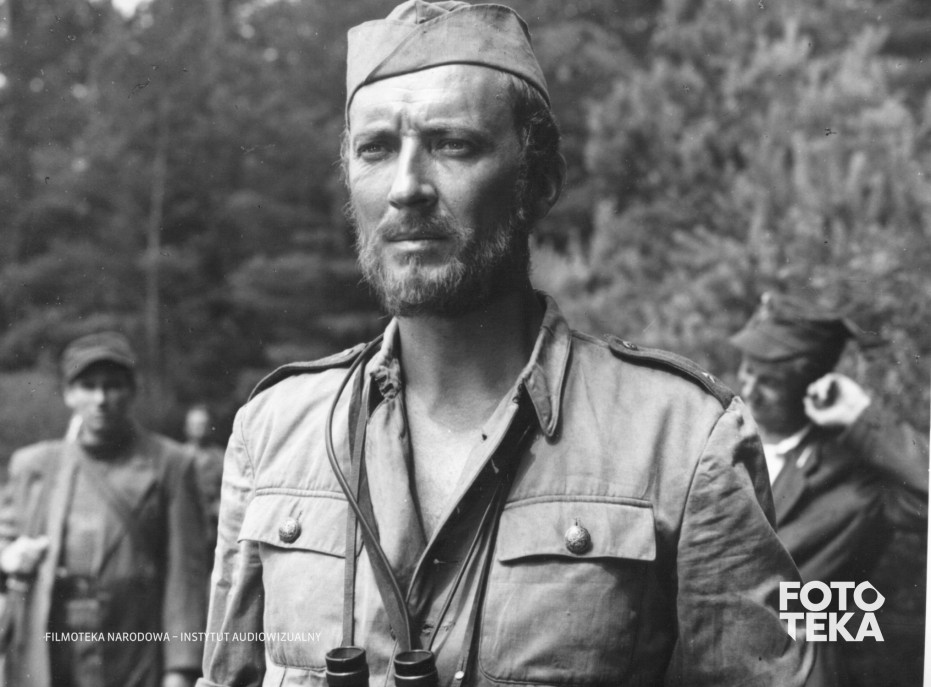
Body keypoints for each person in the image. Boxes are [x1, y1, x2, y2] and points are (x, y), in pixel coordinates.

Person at [199, 3, 812, 686]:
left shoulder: (682, 442)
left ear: (537, 183)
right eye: (376, 149)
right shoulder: (275, 430)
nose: (406, 187)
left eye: (453, 144)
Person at [730, 293, 928, 687]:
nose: (749, 389)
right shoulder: (717, 444)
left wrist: (860, 415)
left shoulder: (853, 479)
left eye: (769, 382)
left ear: (808, 385)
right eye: (747, 370)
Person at [0, 332, 208, 687]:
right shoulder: (35, 466)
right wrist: (8, 556)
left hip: (134, 648)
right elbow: (5, 543)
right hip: (50, 646)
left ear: (132, 390)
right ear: (69, 394)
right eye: (88, 386)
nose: (100, 399)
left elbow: (185, 581)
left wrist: (180, 671)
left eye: (113, 385)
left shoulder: (171, 464)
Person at [183, 404, 224, 555]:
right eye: (194, 425)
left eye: (203, 424)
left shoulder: (220, 457)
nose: (199, 429)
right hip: (186, 520)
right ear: (186, 427)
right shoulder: (179, 456)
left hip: (213, 523)